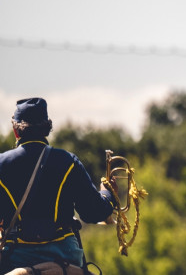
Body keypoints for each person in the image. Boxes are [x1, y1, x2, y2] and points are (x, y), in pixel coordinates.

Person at [0, 98, 116, 271]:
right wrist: (107, 193)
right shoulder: (68, 161)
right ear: (47, 129)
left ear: (16, 131)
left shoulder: (2, 164)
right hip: (65, 255)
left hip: (16, 258)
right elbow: (93, 213)